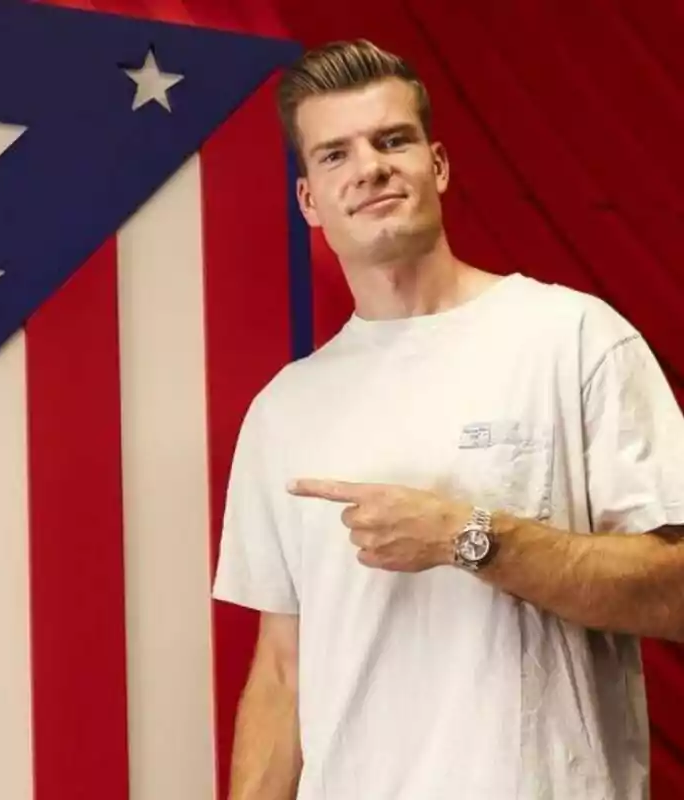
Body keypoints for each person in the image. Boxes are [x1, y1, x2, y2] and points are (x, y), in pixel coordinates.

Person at [211, 38, 684, 800]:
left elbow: (675, 591)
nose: (368, 167)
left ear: (437, 165)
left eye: (391, 140)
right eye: (334, 155)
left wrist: (472, 539)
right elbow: (281, 672)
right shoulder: (283, 409)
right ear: (309, 200)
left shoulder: (573, 339)